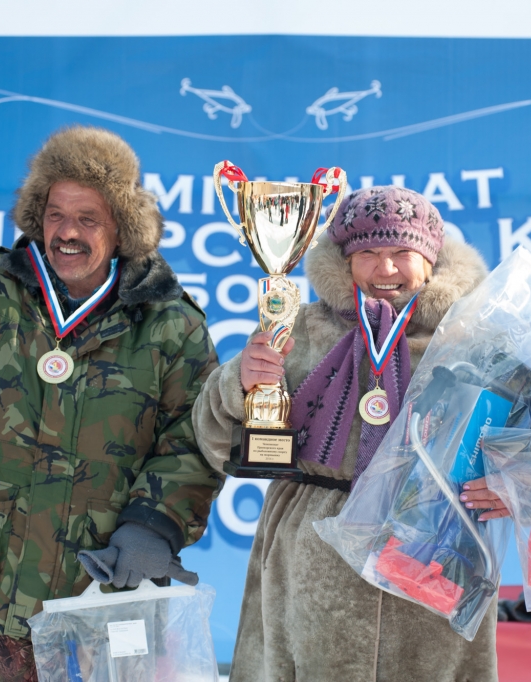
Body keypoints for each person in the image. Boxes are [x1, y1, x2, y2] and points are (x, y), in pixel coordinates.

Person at [0, 94, 219, 681]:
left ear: (121, 228)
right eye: (55, 215)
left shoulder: (169, 325)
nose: (67, 233)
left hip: (105, 588)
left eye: (88, 219)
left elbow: (193, 438)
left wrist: (153, 524)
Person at [191, 186, 496, 681]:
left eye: (402, 252)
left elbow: (519, 443)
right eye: (367, 252)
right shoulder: (297, 329)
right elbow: (214, 442)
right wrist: (238, 384)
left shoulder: (471, 337)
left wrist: (506, 484)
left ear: (431, 260)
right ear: (344, 261)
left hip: (433, 548)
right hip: (310, 560)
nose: (385, 268)